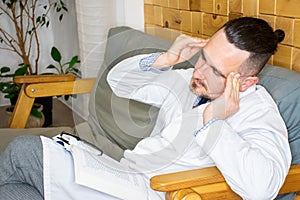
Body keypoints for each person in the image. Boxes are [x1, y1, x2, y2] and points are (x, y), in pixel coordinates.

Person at [0, 17, 291, 200]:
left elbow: (263, 188)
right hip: (123, 174)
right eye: (203, 57)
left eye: (216, 71)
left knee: (25, 152)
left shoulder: (258, 112)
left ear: (245, 82)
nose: (199, 71)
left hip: (156, 191)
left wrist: (212, 121)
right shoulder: (190, 82)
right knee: (16, 192)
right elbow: (119, 83)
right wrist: (165, 59)